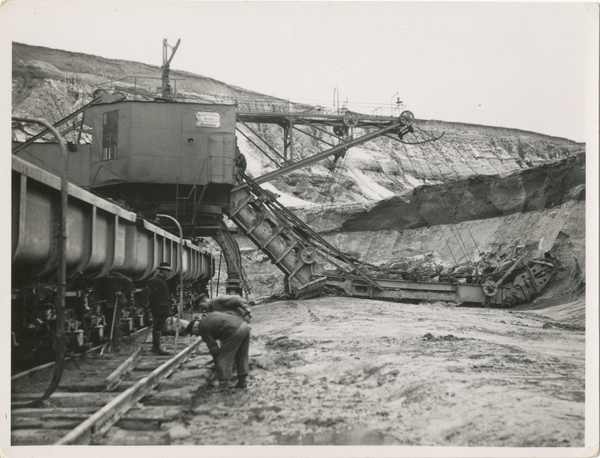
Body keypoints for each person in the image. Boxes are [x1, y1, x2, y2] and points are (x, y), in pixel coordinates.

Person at [198, 310, 251, 390]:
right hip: (244, 326)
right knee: (241, 355)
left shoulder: (202, 327)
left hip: (234, 329)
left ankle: (224, 384)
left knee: (223, 357)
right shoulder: (211, 317)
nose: (196, 334)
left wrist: (217, 362)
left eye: (194, 333)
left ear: (194, 327)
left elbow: (214, 349)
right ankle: (243, 381)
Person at [148, 262, 174, 355]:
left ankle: (156, 346)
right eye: (167, 271)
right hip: (159, 308)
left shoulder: (160, 280)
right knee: (158, 327)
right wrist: (155, 308)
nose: (169, 273)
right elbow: (154, 296)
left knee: (159, 327)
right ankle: (157, 347)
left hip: (161, 308)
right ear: (162, 271)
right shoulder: (158, 281)